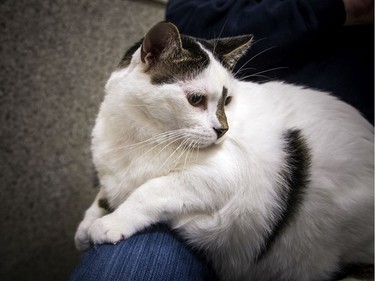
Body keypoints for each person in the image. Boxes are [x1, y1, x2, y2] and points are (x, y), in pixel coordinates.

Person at [69, 1, 374, 280]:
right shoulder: (124, 118)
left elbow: (217, 177)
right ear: (150, 57)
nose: (220, 127)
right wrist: (100, 206)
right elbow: (188, 14)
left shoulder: (216, 127)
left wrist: (132, 211)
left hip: (322, 241)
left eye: (224, 102)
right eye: (197, 99)